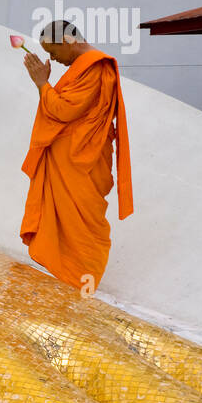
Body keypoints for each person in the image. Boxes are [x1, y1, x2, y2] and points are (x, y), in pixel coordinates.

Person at [20, 21, 133, 293]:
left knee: (87, 223)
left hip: (84, 163)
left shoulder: (96, 67)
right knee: (69, 221)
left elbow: (64, 111)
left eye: (53, 51)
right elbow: (59, 109)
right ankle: (69, 277)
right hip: (69, 162)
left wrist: (42, 83)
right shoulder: (81, 69)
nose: (53, 59)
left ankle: (82, 278)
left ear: (68, 40)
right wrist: (44, 86)